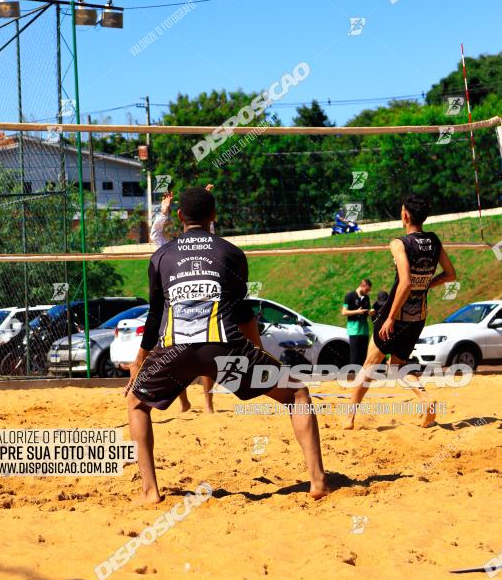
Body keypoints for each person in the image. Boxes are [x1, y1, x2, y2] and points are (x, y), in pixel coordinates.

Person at [125, 186, 329, 504]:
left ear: (179, 217)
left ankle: (150, 492)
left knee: (137, 404)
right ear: (214, 216)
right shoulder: (230, 253)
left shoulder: (161, 255)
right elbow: (243, 311)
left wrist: (139, 361)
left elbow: (155, 315)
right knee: (297, 392)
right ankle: (317, 481)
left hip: (175, 352)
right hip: (225, 352)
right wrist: (258, 351)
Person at [344, 194, 456, 430]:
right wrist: (425, 285)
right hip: (419, 317)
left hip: (395, 316)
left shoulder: (399, 243)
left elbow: (404, 283)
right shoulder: (434, 241)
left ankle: (349, 419)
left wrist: (391, 317)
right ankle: (426, 399)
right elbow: (450, 274)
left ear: (405, 215)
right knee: (397, 368)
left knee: (369, 365)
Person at [149, 187, 216, 414]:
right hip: (179, 312)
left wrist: (202, 205)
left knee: (207, 359)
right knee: (175, 360)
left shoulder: (204, 247)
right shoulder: (169, 250)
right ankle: (185, 403)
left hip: (205, 308)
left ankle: (208, 405)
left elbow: (209, 237)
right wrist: (164, 212)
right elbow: (155, 235)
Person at [342, 278, 372, 367]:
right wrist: (357, 311)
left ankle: (362, 374)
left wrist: (370, 312)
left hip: (364, 330)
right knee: (355, 354)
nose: (367, 292)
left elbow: (367, 311)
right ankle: (353, 374)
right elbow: (344, 312)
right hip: (354, 330)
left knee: (363, 354)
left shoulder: (366, 297)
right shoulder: (350, 296)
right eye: (367, 290)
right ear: (362, 286)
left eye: (369, 290)